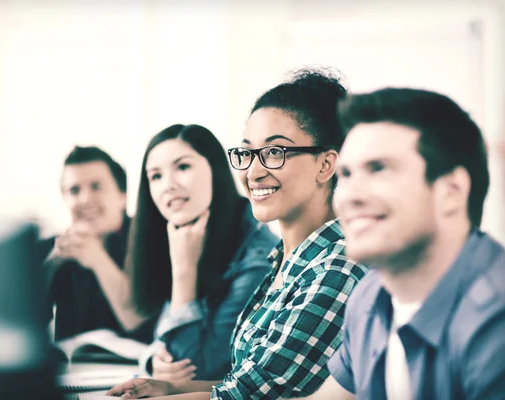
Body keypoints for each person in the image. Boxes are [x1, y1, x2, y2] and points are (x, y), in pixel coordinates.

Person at [107, 68, 369, 399]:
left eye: (275, 152)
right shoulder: (286, 261)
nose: (253, 171)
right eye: (247, 153)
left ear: (325, 165)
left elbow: (250, 397)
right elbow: (245, 381)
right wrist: (169, 386)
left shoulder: (337, 266)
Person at [297, 88, 505, 399]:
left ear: (451, 191)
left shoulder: (495, 321)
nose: (350, 196)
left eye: (379, 169)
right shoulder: (370, 295)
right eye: (347, 174)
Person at [125, 124, 278, 381]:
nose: (168, 186)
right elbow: (164, 341)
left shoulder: (257, 258)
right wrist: (152, 360)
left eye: (183, 167)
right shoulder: (185, 234)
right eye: (156, 176)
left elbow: (196, 370)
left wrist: (184, 273)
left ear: (215, 171)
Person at [38, 146, 154, 342]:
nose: (85, 199)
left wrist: (97, 258)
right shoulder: (54, 249)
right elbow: (22, 326)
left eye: (96, 187)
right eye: (74, 190)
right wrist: (51, 267)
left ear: (122, 196)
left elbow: (140, 322)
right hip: (76, 369)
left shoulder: (149, 239)